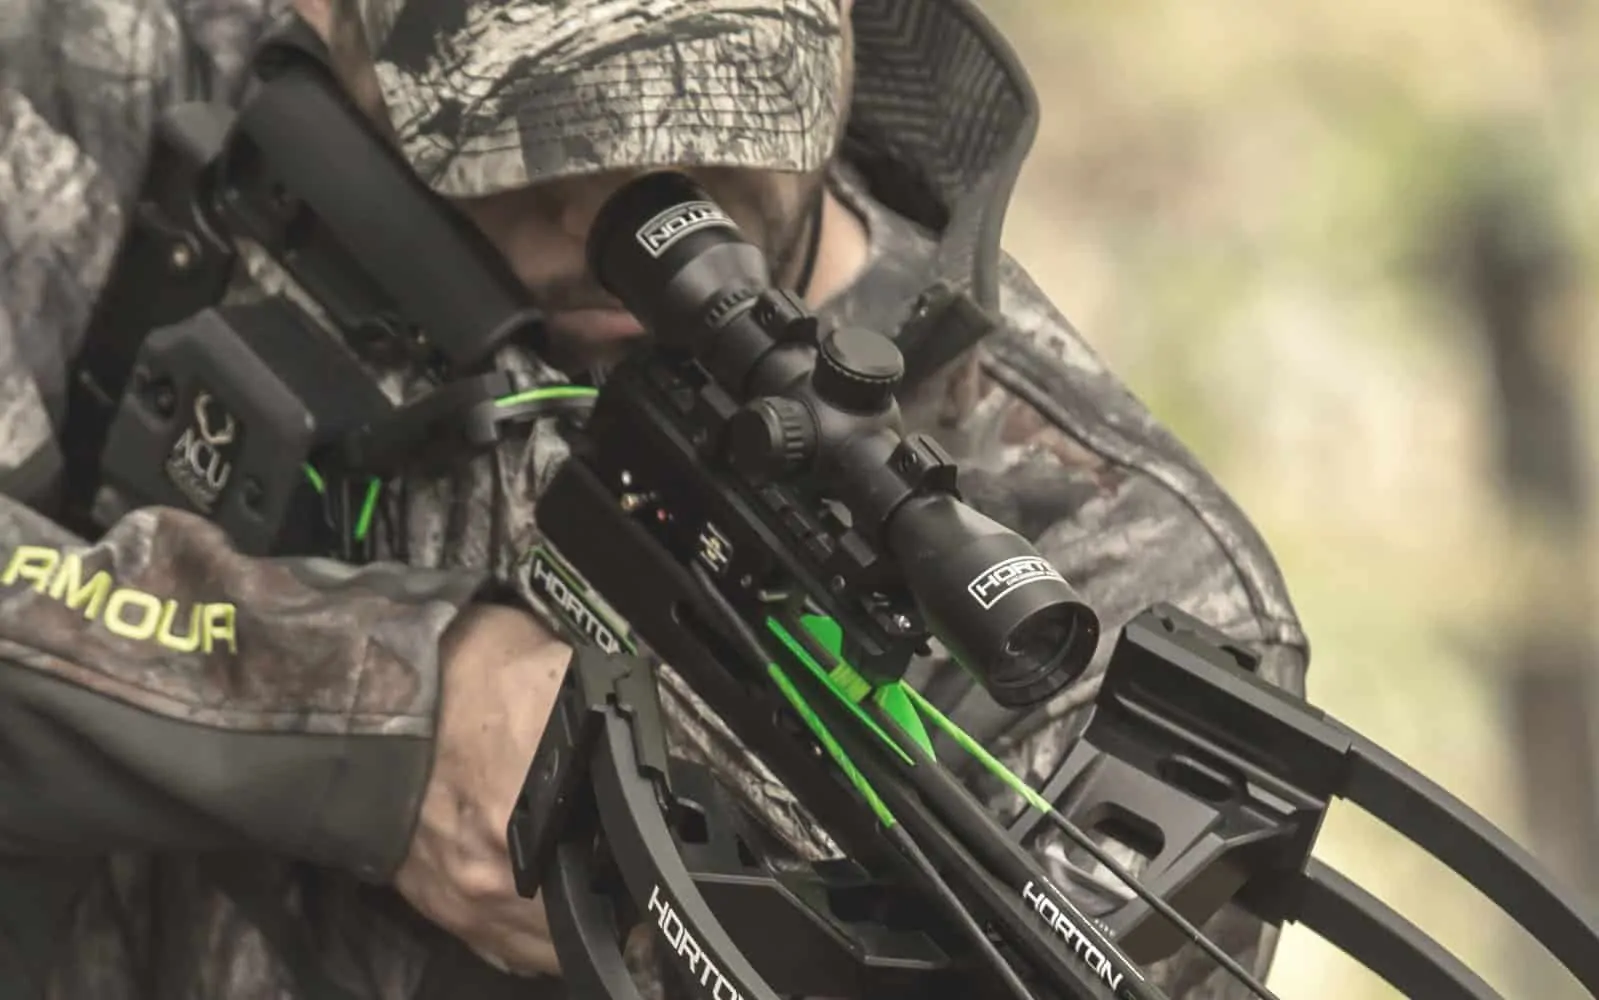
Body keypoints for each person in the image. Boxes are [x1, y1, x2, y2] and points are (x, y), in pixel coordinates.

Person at [0, 0, 1310, 997]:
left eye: (705, 147)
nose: (612, 219)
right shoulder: (132, 77)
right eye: (528, 156)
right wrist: (379, 704)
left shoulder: (1113, 589)